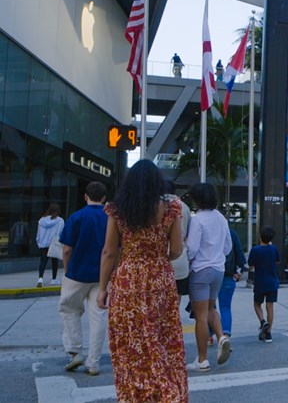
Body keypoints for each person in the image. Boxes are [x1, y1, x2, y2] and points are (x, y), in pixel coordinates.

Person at [97, 160, 188, 401]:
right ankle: (167, 393)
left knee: (131, 342)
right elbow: (177, 249)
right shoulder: (172, 208)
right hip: (161, 279)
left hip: (128, 280)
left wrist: (102, 288)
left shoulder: (117, 210)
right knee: (163, 339)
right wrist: (158, 258)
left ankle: (135, 395)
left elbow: (109, 252)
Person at [58, 181, 108, 376]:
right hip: (102, 275)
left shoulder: (76, 217)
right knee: (98, 316)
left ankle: (74, 351)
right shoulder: (110, 218)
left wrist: (66, 270)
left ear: (85, 196)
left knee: (69, 310)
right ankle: (93, 362)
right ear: (104, 198)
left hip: (77, 273)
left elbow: (67, 249)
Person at [186, 182, 232, 372]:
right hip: (218, 270)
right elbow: (228, 247)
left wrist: (187, 261)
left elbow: (192, 249)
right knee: (212, 307)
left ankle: (202, 359)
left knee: (201, 316)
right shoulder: (221, 218)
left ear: (197, 199)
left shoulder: (197, 219)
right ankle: (222, 336)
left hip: (201, 270)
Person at [248, 225, 279, 343]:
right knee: (270, 307)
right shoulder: (274, 249)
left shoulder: (255, 250)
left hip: (260, 282)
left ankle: (262, 321)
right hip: (272, 281)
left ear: (260, 237)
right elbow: (277, 261)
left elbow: (251, 265)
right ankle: (269, 333)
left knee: (257, 304)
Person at [218, 228, 247, 340]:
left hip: (209, 273)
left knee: (209, 307)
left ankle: (210, 334)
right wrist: (239, 271)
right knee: (225, 307)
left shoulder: (205, 228)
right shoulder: (231, 233)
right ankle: (225, 335)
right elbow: (239, 254)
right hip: (228, 274)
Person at [36, 203, 64, 287]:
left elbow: (38, 233)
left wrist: (39, 242)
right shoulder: (60, 221)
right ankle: (54, 279)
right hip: (54, 243)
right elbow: (61, 232)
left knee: (43, 261)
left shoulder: (42, 220)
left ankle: (40, 278)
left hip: (43, 244)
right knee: (54, 262)